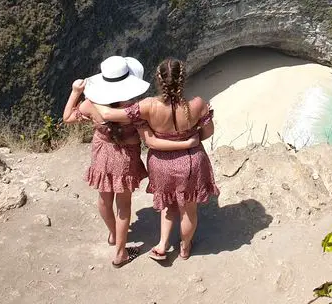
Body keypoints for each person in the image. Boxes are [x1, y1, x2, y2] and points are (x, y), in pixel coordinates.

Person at [63, 56, 201, 267]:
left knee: (104, 198)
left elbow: (68, 118)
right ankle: (120, 253)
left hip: (101, 153)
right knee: (124, 206)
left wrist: (75, 92)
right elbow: (151, 137)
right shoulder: (135, 109)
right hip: (125, 158)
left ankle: (112, 235)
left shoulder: (91, 105)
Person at [96, 58, 218, 262]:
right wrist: (188, 140)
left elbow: (109, 113)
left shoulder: (148, 106)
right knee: (189, 209)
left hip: (161, 163)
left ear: (159, 80)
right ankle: (185, 248)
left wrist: (91, 95)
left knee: (168, 204)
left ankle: (162, 245)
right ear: (183, 80)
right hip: (191, 162)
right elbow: (207, 132)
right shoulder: (197, 104)